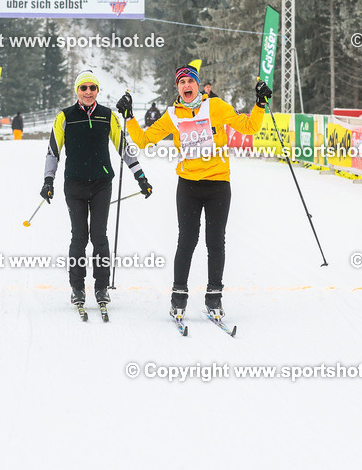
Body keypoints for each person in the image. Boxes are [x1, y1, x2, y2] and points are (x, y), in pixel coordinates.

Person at [117, 65, 270, 320]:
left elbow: (250, 127)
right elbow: (144, 141)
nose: (186, 86)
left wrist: (260, 103)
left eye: (190, 81)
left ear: (198, 85)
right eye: (181, 82)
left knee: (215, 241)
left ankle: (214, 297)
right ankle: (178, 296)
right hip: (188, 185)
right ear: (177, 88)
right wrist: (129, 116)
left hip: (218, 184)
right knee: (186, 240)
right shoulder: (172, 115)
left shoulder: (216, 107)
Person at [41, 70, 153, 310]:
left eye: (92, 88)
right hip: (74, 185)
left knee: (99, 237)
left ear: (98, 90)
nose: (88, 92)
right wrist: (48, 181)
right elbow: (53, 151)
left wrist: (140, 177)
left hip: (102, 184)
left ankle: (102, 287)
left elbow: (124, 148)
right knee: (79, 237)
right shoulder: (65, 117)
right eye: (84, 88)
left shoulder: (108, 116)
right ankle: (77, 288)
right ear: (77, 91)